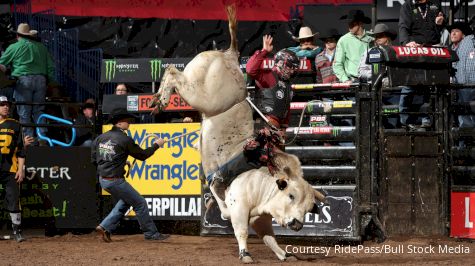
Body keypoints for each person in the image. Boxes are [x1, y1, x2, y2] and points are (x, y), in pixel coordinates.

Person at [91, 108, 169, 242]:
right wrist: (157, 145)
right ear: (119, 123)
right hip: (115, 180)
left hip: (104, 179)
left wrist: (121, 162)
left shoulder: (100, 138)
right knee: (140, 203)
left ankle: (105, 226)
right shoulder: (125, 139)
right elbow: (143, 155)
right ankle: (151, 234)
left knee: (126, 201)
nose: (129, 123)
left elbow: (95, 160)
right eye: (127, 121)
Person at [0, 23, 55, 142]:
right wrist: (47, 82)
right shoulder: (41, 47)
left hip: (23, 81)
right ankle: (43, 139)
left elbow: (2, 65)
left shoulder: (14, 47)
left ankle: (28, 141)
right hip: (41, 80)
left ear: (18, 36)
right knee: (39, 110)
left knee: (24, 113)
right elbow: (51, 67)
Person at [398, 0, 445, 131]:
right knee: (409, 86)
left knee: (429, 87)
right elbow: (403, 26)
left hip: (432, 49)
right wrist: (407, 42)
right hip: (414, 50)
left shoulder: (435, 4)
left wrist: (440, 23)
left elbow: (439, 26)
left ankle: (427, 120)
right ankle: (404, 120)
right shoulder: (408, 5)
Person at [246, 34, 300, 130]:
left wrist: (284, 129)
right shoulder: (269, 76)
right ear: (280, 63)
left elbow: (285, 110)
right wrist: (264, 51)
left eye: (293, 69)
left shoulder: (288, 85)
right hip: (262, 124)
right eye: (290, 67)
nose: (292, 71)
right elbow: (250, 70)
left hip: (277, 128)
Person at [0, 96, 33, 242]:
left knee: (13, 198)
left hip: (10, 167)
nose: (6, 107)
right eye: (2, 105)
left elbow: (21, 150)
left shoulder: (15, 124)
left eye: (7, 104)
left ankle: (17, 231)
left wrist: (20, 169)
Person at [333, 9, 373, 84]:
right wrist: (345, 80)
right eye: (348, 23)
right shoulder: (344, 40)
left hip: (372, 81)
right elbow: (337, 64)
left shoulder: (372, 38)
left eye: (352, 23)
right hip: (353, 82)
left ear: (360, 23)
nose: (349, 26)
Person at [449, 22, 475, 136]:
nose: (453, 33)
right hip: (460, 86)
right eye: (451, 31)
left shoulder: (469, 40)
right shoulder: (451, 49)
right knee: (463, 115)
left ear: (463, 35)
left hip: (470, 84)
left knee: (468, 115)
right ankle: (464, 143)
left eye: (457, 31)